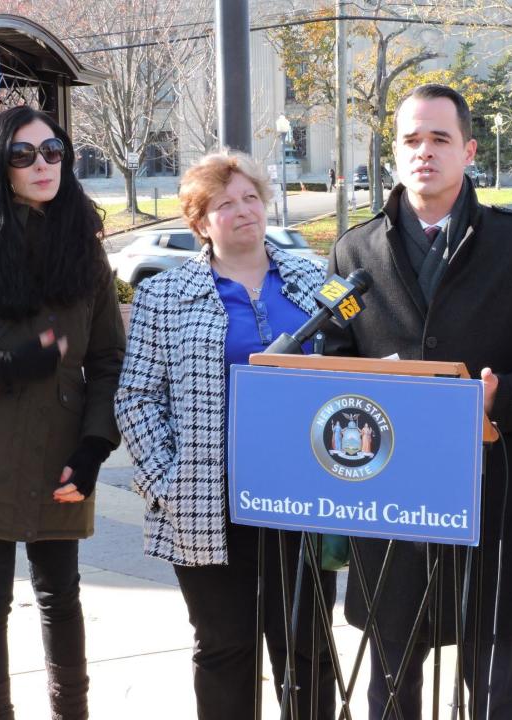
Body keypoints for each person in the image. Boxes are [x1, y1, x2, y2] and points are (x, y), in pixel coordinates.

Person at [324, 83, 512, 720]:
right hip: (387, 499)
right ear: (393, 153)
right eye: (411, 139)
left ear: (468, 150)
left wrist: (501, 399)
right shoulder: (352, 252)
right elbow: (329, 362)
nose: (424, 152)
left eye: (440, 138)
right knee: (392, 684)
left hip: (489, 491)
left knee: (492, 689)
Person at [114, 150, 337, 720]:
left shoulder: (316, 281)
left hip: (303, 495)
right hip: (207, 502)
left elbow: (350, 372)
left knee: (306, 648)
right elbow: (136, 397)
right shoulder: (164, 296)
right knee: (224, 647)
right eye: (224, 204)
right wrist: (169, 480)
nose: (243, 211)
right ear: (199, 222)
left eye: (250, 198)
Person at [0, 106, 126, 719]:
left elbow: (108, 360)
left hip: (62, 449)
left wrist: (94, 448)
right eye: (23, 154)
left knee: (61, 596)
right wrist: (2, 366)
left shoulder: (85, 248)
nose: (42, 164)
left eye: (53, 151)